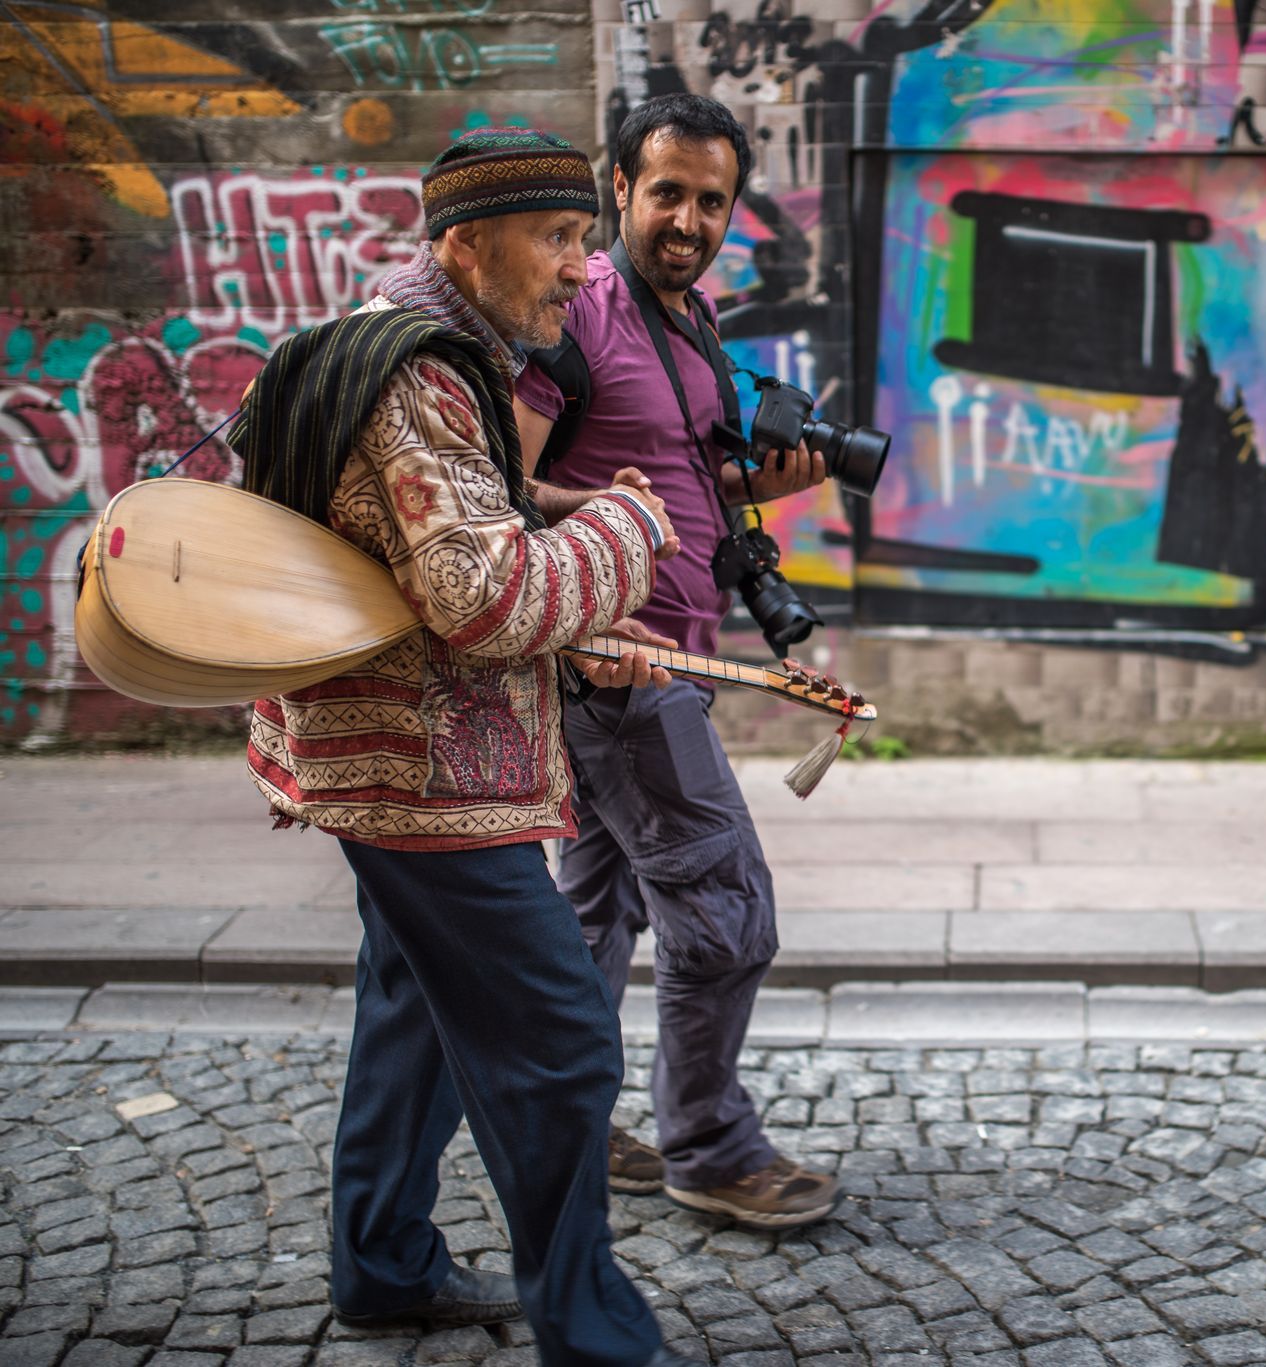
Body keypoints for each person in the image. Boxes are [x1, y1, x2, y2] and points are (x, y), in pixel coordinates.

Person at [233, 126, 695, 1367]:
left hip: (374, 753)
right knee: (558, 1038)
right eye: (557, 238)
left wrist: (583, 597)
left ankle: (383, 1266)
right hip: (427, 776)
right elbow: (481, 598)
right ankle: (597, 1336)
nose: (580, 271)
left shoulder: (398, 342)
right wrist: (621, 534)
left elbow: (445, 514)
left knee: (416, 1007)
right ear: (464, 243)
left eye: (584, 242)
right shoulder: (418, 378)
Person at [512, 93, 840, 1229]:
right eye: (667, 193)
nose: (687, 218)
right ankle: (707, 1144)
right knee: (724, 906)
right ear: (620, 190)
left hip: (675, 660)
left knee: (593, 913)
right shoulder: (580, 318)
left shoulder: (689, 318)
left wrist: (771, 484)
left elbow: (679, 476)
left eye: (710, 199)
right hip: (621, 671)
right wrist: (606, 522)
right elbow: (503, 487)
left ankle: (568, 1114)